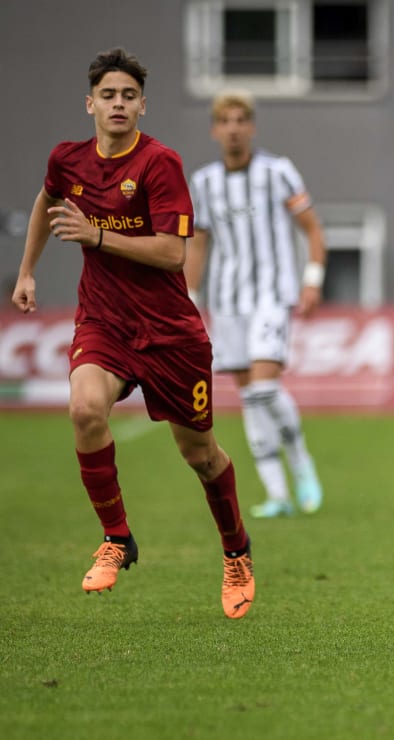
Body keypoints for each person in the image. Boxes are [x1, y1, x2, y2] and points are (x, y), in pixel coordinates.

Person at [9, 48, 254, 619]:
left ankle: (236, 550)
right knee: (85, 410)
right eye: (108, 94)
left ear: (142, 106)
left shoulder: (159, 163)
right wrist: (26, 271)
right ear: (90, 103)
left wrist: (96, 237)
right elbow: (49, 197)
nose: (117, 103)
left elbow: (173, 254)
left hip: (170, 333)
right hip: (104, 323)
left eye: (128, 95)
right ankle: (117, 538)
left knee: (200, 454)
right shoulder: (67, 158)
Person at [185, 89, 327, 519]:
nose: (232, 128)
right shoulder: (204, 182)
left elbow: (313, 230)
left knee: (265, 388)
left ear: (251, 127)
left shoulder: (277, 171)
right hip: (227, 302)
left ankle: (302, 462)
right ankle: (278, 493)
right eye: (224, 121)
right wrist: (189, 298)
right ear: (214, 129)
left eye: (239, 120)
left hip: (271, 295)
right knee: (249, 398)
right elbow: (198, 244)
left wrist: (312, 281)